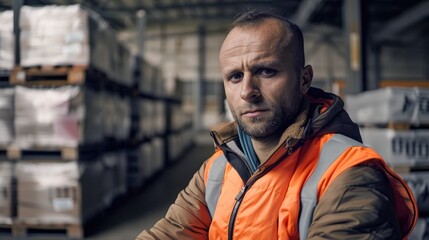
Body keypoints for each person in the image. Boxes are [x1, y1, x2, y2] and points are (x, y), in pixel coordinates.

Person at [136, 9, 417, 240]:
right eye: (235, 77)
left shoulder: (348, 173)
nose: (248, 91)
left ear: (304, 79)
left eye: (266, 71)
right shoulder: (218, 168)